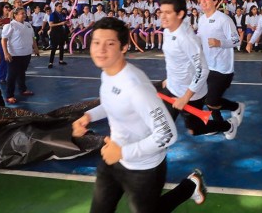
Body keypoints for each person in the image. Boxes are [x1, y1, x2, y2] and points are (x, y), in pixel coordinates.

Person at [72, 17, 207, 213]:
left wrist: (123, 153)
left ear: (124, 47)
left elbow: (168, 133)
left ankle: (190, 186)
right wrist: (89, 116)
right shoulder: (107, 72)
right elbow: (113, 101)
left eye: (110, 43)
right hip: (113, 156)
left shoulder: (135, 86)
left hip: (144, 168)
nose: (101, 50)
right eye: (96, 42)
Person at [157, 0, 238, 139]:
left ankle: (228, 125)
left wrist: (185, 98)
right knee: (163, 128)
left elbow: (202, 70)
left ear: (180, 14)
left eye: (167, 12)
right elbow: (173, 61)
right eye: (161, 12)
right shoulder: (167, 31)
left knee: (195, 129)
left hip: (190, 94)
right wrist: (169, 79)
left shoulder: (186, 39)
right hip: (173, 88)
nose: (162, 16)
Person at [197, 0, 245, 128]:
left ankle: (236, 107)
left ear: (215, 1)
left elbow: (236, 41)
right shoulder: (201, 19)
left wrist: (219, 43)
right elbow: (200, 38)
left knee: (211, 100)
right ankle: (219, 125)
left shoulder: (224, 19)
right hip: (207, 65)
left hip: (223, 68)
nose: (203, 1)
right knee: (209, 98)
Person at [1, 7, 40, 104]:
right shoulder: (10, 25)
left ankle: (23, 89)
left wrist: (35, 48)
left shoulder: (28, 25)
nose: (24, 15)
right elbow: (4, 39)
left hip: (26, 53)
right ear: (15, 15)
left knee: (22, 72)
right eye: (21, 13)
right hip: (14, 54)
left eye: (24, 13)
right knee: (12, 75)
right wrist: (6, 53)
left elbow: (32, 37)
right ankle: (9, 95)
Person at [48, 2, 68, 68]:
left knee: (61, 47)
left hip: (62, 32)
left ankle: (61, 60)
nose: (60, 8)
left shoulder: (63, 14)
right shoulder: (53, 14)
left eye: (61, 6)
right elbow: (51, 24)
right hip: (55, 32)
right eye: (59, 6)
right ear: (55, 7)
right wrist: (60, 23)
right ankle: (51, 62)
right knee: (54, 48)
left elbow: (64, 21)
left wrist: (66, 23)